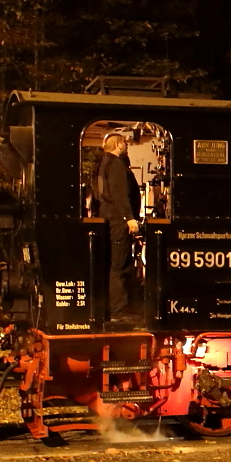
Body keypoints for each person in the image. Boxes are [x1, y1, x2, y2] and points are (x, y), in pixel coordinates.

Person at [94, 133, 142, 324]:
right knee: (119, 265)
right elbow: (120, 194)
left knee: (114, 264)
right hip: (117, 220)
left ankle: (115, 307)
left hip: (107, 218)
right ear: (119, 144)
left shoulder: (101, 164)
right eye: (125, 143)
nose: (127, 147)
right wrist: (129, 218)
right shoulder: (115, 165)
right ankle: (119, 311)